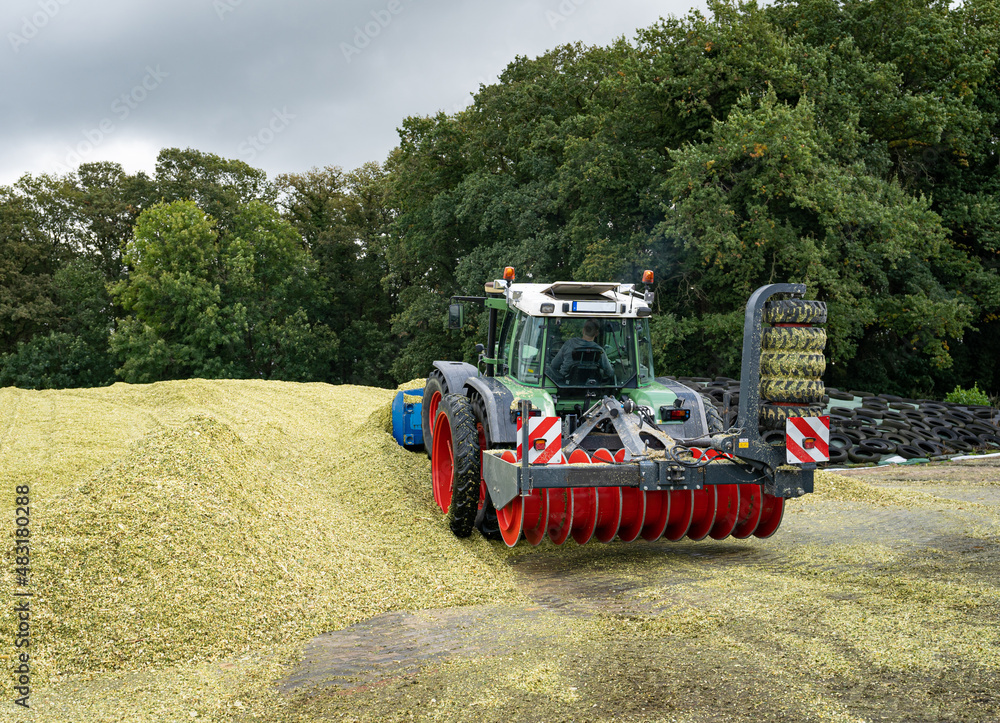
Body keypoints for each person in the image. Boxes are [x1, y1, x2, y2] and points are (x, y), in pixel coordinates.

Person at [549, 318, 615, 383]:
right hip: (591, 387)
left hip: (565, 386)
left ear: (583, 330)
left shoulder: (569, 344)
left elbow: (554, 365)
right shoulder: (599, 351)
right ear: (597, 333)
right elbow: (610, 372)